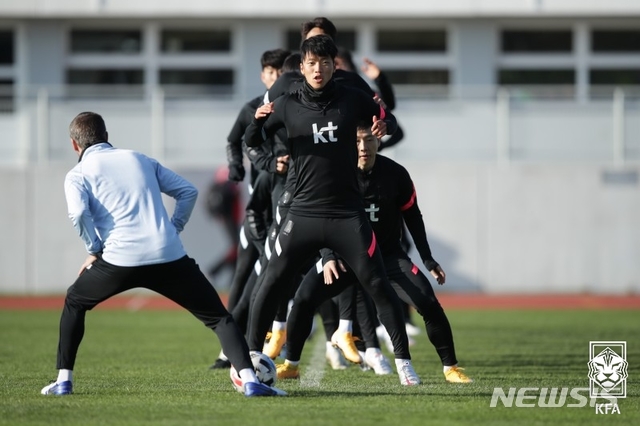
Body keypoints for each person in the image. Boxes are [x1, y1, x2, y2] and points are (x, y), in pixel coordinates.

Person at [40, 112, 286, 397]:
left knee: (74, 302)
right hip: (167, 255)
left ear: (74, 145)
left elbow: (79, 212)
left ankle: (64, 381)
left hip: (119, 260)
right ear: (106, 136)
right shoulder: (138, 159)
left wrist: (94, 249)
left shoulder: (78, 174)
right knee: (220, 319)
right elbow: (187, 192)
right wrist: (174, 228)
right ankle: (250, 381)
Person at [244, 34, 421, 386]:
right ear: (303, 66)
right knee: (271, 280)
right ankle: (247, 358)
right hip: (302, 213)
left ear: (333, 65)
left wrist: (385, 125)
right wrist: (257, 122)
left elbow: (393, 122)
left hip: (347, 215)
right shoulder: (286, 103)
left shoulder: (354, 99)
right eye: (311, 63)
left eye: (325, 62)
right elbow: (251, 140)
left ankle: (403, 363)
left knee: (377, 283)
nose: (318, 69)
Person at [276, 124, 473, 384]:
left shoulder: (396, 174)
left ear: (378, 141)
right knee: (303, 299)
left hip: (389, 258)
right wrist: (327, 255)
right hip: (344, 258)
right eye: (356, 141)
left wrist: (427, 258)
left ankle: (450, 368)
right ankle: (291, 364)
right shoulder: (333, 174)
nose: (362, 147)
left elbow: (413, 216)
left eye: (368, 140)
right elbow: (320, 217)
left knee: (428, 302)